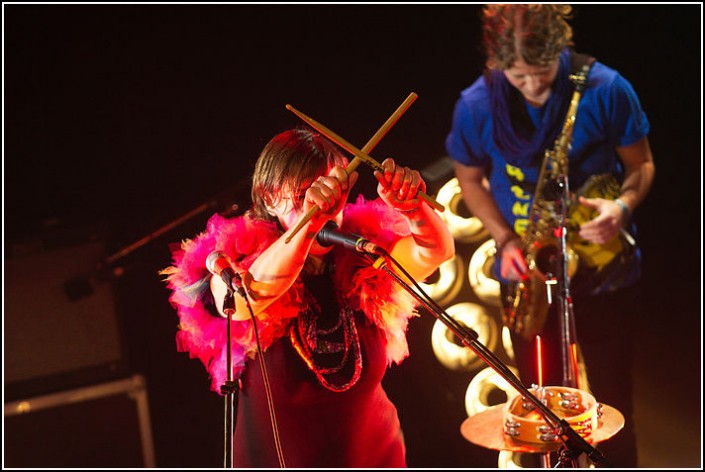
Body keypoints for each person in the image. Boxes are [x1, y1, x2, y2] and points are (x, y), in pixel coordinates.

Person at [162, 127, 455, 468]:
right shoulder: (234, 261)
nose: (324, 206)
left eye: (332, 192)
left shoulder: (361, 252)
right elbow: (251, 294)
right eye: (304, 194)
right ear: (270, 198)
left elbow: (436, 252)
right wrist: (309, 222)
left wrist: (414, 207)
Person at [445, 4, 655, 468]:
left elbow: (641, 165)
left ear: (561, 49)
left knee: (614, 408)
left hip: (603, 271)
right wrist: (503, 237)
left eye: (542, 73)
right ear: (496, 64)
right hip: (528, 281)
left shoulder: (605, 89)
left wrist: (621, 206)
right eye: (520, 78)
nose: (535, 87)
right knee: (539, 409)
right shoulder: (477, 104)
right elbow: (469, 177)